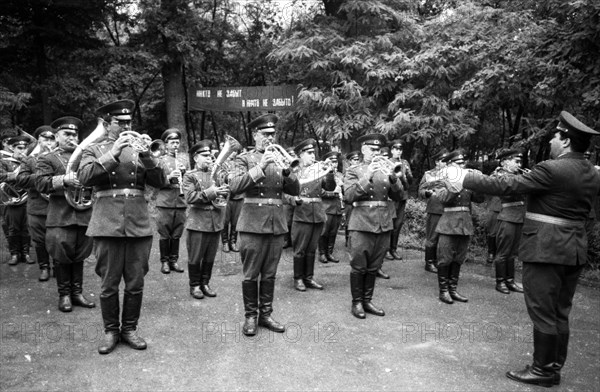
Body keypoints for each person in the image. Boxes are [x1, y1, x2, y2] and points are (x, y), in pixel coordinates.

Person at [448, 111, 600, 387]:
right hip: (574, 248)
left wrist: (463, 175)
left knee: (542, 310)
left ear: (565, 141)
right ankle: (553, 367)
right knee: (560, 311)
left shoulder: (553, 169)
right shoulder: (590, 171)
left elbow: (506, 184)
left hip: (546, 248)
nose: (552, 142)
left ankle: (542, 371)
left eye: (555, 136)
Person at [78, 99, 167, 354]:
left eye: (129, 122)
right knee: (108, 283)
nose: (127, 127)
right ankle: (110, 331)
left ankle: (129, 329)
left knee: (135, 282)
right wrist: (113, 152)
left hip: (138, 223)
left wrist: (149, 156)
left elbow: (160, 182)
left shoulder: (141, 150)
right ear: (107, 124)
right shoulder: (94, 150)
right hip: (107, 223)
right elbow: (84, 178)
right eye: (121, 123)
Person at [229, 113, 300, 336]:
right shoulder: (244, 158)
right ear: (255, 134)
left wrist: (288, 172)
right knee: (251, 274)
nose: (270, 138)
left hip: (276, 224)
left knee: (270, 273)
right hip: (251, 224)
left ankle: (266, 314)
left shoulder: (281, 160)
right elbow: (234, 186)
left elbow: (295, 191)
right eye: (265, 134)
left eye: (272, 134)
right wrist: (260, 166)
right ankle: (250, 316)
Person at [36, 117, 96, 312]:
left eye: (75, 134)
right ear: (56, 137)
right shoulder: (48, 158)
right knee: (62, 257)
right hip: (61, 216)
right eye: (67, 134)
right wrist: (64, 179)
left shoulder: (86, 158)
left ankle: (77, 293)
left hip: (83, 214)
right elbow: (40, 184)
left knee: (79, 255)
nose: (72, 138)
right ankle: (64, 295)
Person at [344, 134, 403, 319]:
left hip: (383, 223)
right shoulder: (354, 170)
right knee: (359, 265)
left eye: (379, 150)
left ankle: (367, 300)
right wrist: (368, 175)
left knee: (374, 266)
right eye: (373, 149)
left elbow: (399, 196)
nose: (377, 153)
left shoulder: (386, 170)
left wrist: (394, 178)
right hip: (361, 223)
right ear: (363, 149)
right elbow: (349, 196)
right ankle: (357, 303)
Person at [431, 151, 484, 305]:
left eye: (463, 164)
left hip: (464, 224)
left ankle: (453, 289)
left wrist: (478, 183)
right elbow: (444, 198)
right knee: (445, 258)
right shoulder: (441, 180)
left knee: (459, 258)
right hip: (448, 224)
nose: (462, 166)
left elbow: (479, 199)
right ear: (449, 165)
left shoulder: (467, 180)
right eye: (458, 164)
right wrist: (459, 182)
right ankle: (444, 291)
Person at [183, 140, 228, 299]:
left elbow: (226, 192)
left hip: (215, 220)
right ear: (196, 158)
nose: (209, 158)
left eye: (210, 155)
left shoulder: (217, 174)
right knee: (196, 256)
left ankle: (205, 283)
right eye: (205, 155)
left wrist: (224, 191)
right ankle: (194, 285)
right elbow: (190, 197)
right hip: (198, 222)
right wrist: (211, 192)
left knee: (210, 256)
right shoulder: (190, 176)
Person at [291, 138, 335, 291]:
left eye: (313, 153)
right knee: (300, 248)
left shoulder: (318, 169)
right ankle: (298, 279)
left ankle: (308, 278)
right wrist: (294, 200)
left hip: (317, 213)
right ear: (300, 154)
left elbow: (330, 187)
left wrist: (330, 172)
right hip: (302, 212)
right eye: (309, 153)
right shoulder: (294, 170)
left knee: (311, 249)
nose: (312, 155)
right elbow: (286, 193)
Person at [16, 125, 57, 280]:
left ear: (56, 140)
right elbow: (21, 179)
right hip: (37, 207)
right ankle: (44, 267)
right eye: (45, 138)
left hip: (57, 206)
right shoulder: (30, 160)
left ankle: (58, 266)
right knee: (39, 240)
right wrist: (41, 177)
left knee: (57, 239)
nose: (48, 142)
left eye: (52, 139)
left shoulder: (62, 159)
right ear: (38, 140)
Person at [490, 149, 525, 295]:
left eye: (519, 162)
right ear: (505, 162)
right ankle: (500, 282)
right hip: (507, 217)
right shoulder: (499, 175)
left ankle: (510, 281)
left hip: (518, 217)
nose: (519, 164)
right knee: (503, 252)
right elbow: (508, 189)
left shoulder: (518, 175)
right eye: (516, 161)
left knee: (512, 253)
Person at [156, 128, 188, 274]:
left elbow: (189, 183)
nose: (175, 145)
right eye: (172, 142)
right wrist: (169, 178)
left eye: (177, 142)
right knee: (165, 233)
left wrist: (184, 173)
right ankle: (164, 262)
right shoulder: (160, 161)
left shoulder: (183, 161)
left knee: (177, 234)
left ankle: (173, 260)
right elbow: (156, 183)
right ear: (166, 144)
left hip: (180, 202)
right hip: (166, 202)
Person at [0, 135, 33, 265]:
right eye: (19, 148)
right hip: (12, 199)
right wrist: (15, 175)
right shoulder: (4, 161)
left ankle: (26, 253)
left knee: (26, 227)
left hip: (27, 198)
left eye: (24, 148)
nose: (22, 151)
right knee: (12, 228)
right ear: (12, 148)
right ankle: (14, 254)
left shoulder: (29, 161)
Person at [417, 150, 448, 273]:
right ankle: (429, 262)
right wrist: (426, 193)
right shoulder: (429, 174)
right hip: (435, 208)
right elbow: (420, 190)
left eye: (447, 161)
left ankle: (440, 261)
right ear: (437, 162)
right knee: (432, 236)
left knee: (444, 238)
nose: (445, 164)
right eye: (443, 161)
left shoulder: (452, 173)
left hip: (448, 209)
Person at [387, 140, 413, 261]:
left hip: (402, 197)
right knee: (390, 223)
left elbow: (409, 183)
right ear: (392, 150)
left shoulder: (405, 163)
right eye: (396, 149)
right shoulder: (387, 162)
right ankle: (386, 249)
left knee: (398, 224)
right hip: (391, 198)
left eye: (400, 149)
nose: (398, 151)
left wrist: (406, 173)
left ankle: (393, 249)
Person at [318, 151, 343, 264]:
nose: (334, 164)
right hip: (326, 207)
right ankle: (322, 253)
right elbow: (319, 191)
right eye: (332, 161)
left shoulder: (340, 174)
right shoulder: (321, 174)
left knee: (333, 232)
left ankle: (329, 253)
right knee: (324, 232)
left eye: (336, 161)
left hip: (337, 207)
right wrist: (333, 194)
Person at [220, 148, 242, 253]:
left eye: (234, 151)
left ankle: (233, 242)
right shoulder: (223, 163)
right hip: (226, 196)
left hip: (238, 196)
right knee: (225, 221)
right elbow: (218, 177)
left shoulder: (240, 163)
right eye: (231, 151)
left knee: (235, 221)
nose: (233, 153)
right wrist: (226, 177)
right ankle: (225, 242)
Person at [342, 151, 361, 247]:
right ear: (350, 161)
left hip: (358, 199)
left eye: (358, 159)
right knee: (349, 221)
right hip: (349, 201)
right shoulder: (348, 171)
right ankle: (347, 240)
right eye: (354, 160)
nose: (356, 161)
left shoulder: (361, 170)